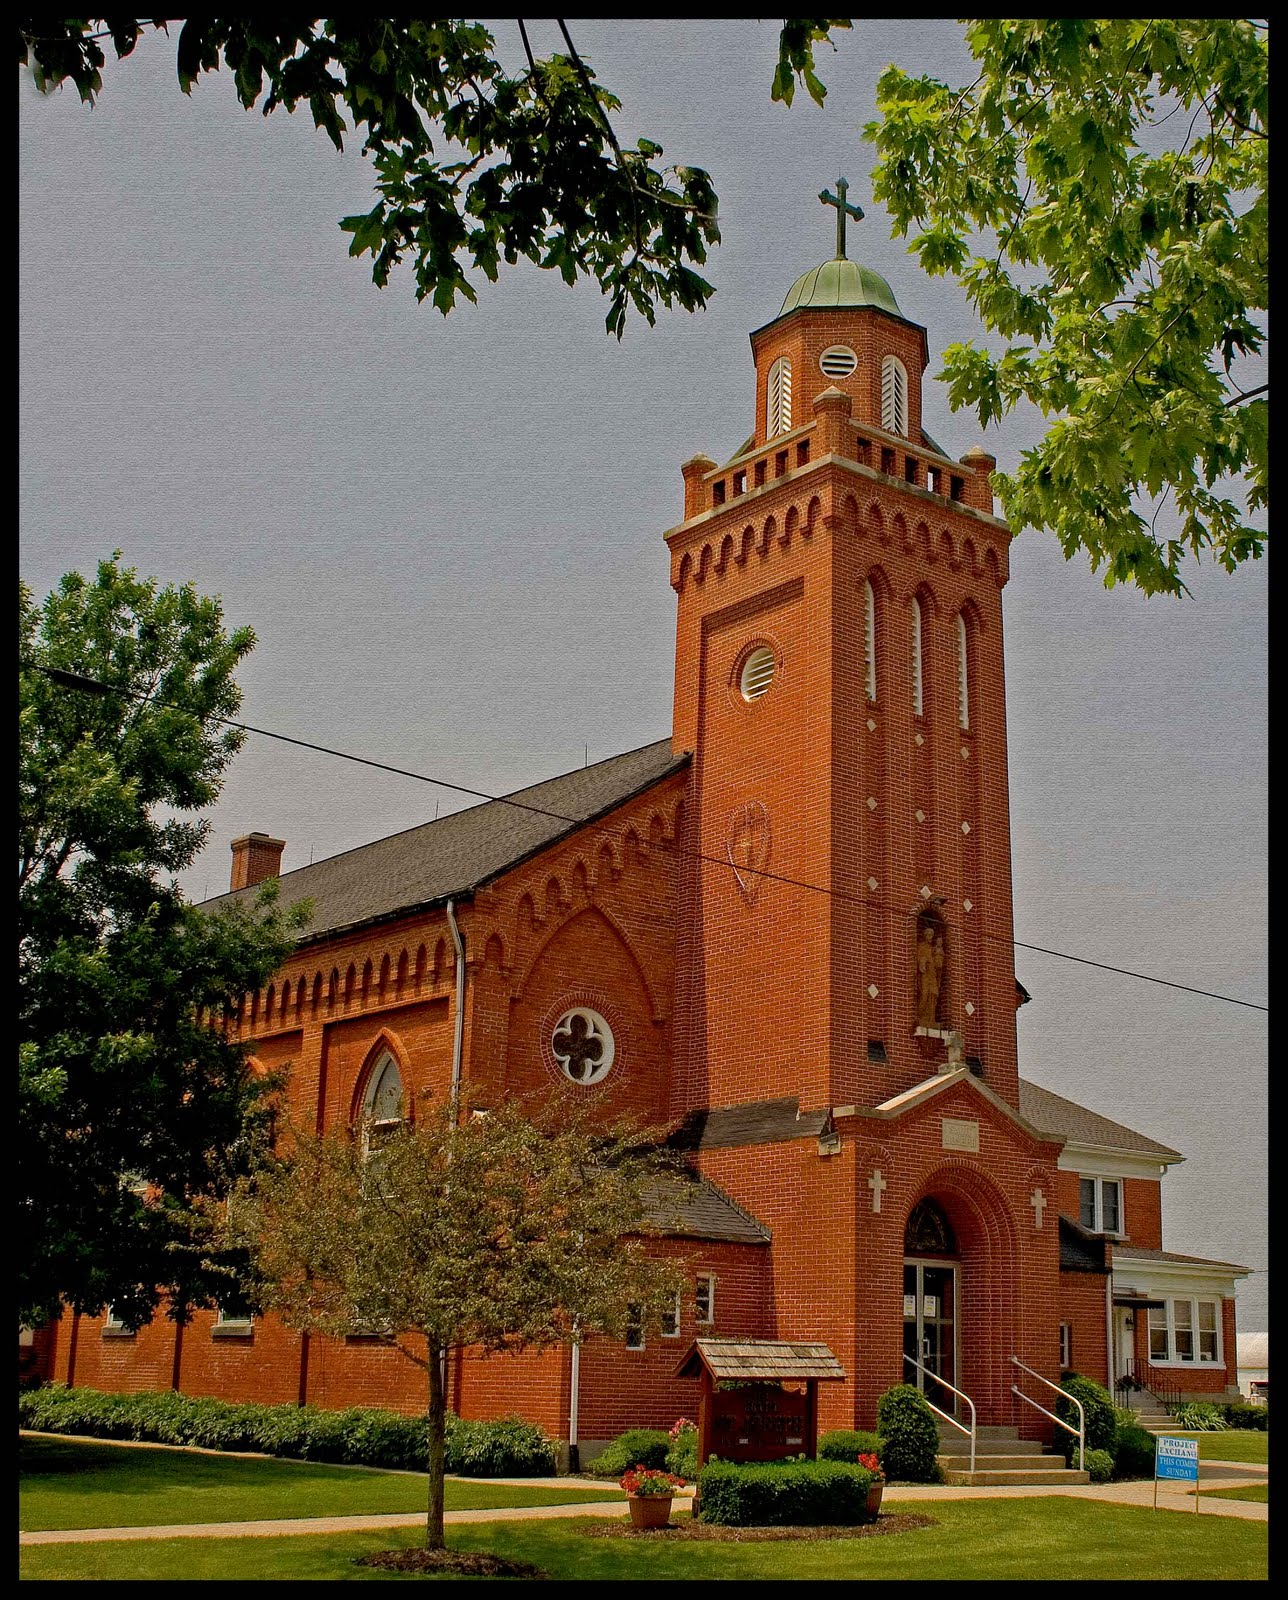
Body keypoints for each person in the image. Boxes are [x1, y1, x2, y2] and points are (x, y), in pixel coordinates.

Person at [915, 924, 944, 1028]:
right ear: (924, 935)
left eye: (931, 935)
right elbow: (918, 959)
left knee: (933, 994)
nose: (930, 937)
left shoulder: (933, 949)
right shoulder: (921, 946)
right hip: (925, 974)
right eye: (928, 934)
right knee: (924, 993)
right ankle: (921, 1015)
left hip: (933, 974)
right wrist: (923, 961)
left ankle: (931, 1018)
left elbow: (937, 962)